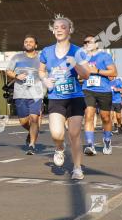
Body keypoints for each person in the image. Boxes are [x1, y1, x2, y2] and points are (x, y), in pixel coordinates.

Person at [38, 16, 90, 180]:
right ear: (53, 30)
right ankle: (59, 148)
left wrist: (74, 63)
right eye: (56, 27)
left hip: (75, 97)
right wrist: (45, 79)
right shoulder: (46, 51)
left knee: (74, 134)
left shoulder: (78, 51)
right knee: (56, 134)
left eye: (63, 27)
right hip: (56, 97)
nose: (59, 29)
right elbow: (41, 71)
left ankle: (77, 168)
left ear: (70, 30)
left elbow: (86, 74)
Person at [5, 35, 45, 155]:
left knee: (34, 119)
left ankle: (32, 145)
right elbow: (8, 71)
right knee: (23, 122)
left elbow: (46, 72)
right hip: (20, 93)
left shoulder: (41, 58)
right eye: (26, 42)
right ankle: (32, 131)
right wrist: (17, 76)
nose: (28, 43)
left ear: (35, 45)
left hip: (36, 93)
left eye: (31, 42)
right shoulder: (17, 57)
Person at [80, 35, 117, 155]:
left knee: (105, 118)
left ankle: (107, 140)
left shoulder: (104, 56)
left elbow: (114, 72)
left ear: (97, 44)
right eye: (85, 42)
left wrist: (97, 71)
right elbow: (80, 76)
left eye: (89, 42)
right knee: (88, 115)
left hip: (104, 90)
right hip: (88, 89)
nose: (86, 44)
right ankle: (90, 145)